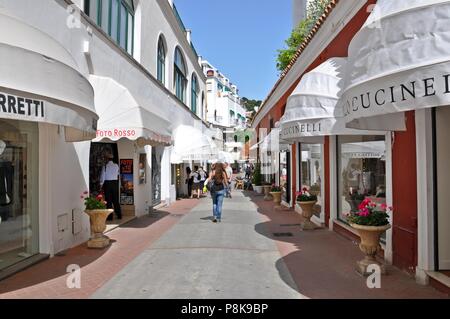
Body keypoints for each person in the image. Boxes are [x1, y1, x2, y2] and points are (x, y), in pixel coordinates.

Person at [100, 153, 122, 220]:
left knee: (108, 200)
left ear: (107, 159)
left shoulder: (105, 166)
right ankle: (119, 214)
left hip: (108, 184)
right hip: (115, 183)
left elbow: (103, 176)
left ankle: (110, 217)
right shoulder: (116, 165)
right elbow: (118, 174)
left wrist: (101, 184)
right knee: (115, 199)